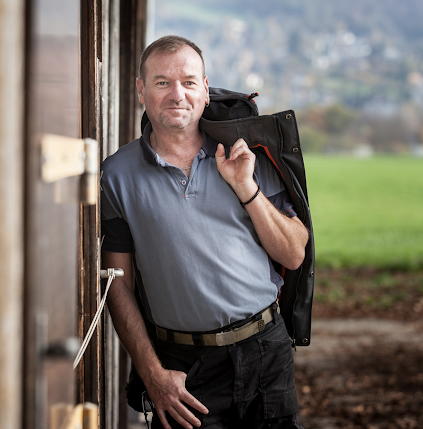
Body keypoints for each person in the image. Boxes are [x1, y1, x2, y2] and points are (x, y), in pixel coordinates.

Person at [101, 35, 309, 429]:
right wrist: (151, 373)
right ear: (141, 91)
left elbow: (294, 253)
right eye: (162, 82)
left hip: (265, 351)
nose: (177, 94)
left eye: (189, 82)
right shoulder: (116, 175)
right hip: (183, 369)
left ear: (205, 88)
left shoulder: (247, 152)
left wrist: (246, 186)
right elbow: (117, 284)